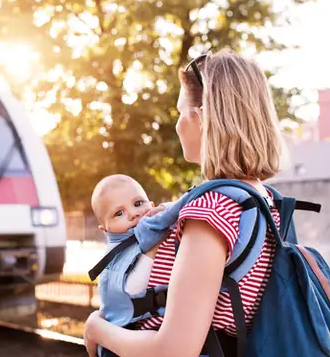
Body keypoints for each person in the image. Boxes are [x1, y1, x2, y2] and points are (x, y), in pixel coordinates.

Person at [83, 48, 286, 357]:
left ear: (202, 118)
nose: (177, 125)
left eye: (180, 112)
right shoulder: (263, 200)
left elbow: (174, 350)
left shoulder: (212, 211)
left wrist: (97, 329)